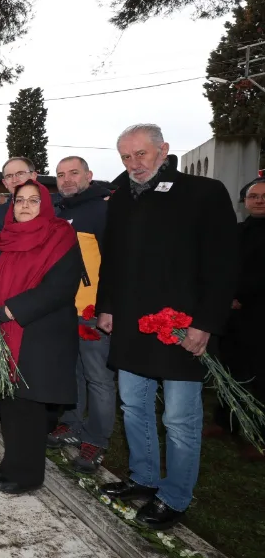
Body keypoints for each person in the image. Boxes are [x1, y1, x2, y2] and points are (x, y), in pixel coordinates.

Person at [97, 124, 239, 529]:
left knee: (179, 419)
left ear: (164, 150)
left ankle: (175, 496)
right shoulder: (120, 198)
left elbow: (222, 264)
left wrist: (205, 323)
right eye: (125, 157)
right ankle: (143, 479)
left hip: (179, 328)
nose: (133, 164)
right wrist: (106, 307)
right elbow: (113, 260)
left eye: (140, 154)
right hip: (130, 324)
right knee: (135, 406)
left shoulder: (203, 192)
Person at [0, 180, 81, 493]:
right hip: (2, 333)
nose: (24, 206)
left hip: (38, 333)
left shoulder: (60, 236)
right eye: (19, 200)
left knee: (30, 406)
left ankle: (29, 473)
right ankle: (13, 461)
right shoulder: (2, 239)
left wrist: (8, 311)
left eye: (33, 200)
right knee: (8, 403)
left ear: (45, 205)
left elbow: (58, 288)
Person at [47, 156, 115, 473]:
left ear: (89, 174)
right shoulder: (59, 212)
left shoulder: (102, 209)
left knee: (99, 379)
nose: (67, 179)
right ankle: (72, 425)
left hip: (92, 312)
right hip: (63, 310)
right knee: (71, 373)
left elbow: (116, 262)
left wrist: (107, 306)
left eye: (74, 173)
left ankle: (96, 439)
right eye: (61, 175)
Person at [209, 178, 265, 460]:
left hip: (259, 316)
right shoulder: (237, 231)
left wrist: (243, 295)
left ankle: (257, 437)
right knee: (229, 370)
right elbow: (222, 266)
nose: (258, 200)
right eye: (253, 196)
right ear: (244, 201)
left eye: (263, 196)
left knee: (260, 378)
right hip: (232, 315)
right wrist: (226, 296)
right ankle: (224, 422)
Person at [0, 157, 38, 231]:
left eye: (20, 174)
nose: (15, 180)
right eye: (9, 176)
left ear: (33, 176)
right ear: (5, 183)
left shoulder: (53, 207)